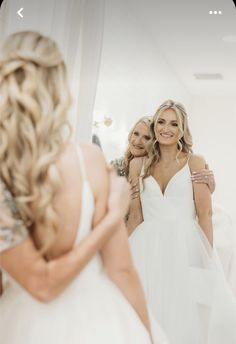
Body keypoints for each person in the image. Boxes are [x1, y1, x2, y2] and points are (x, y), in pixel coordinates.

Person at [0, 31, 168, 344]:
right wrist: (148, 336)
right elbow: (122, 271)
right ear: (58, 90)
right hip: (99, 323)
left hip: (20, 324)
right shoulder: (89, 160)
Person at [127, 99, 236, 344]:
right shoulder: (138, 164)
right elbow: (135, 215)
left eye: (174, 124)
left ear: (182, 129)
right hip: (146, 248)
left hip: (184, 246)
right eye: (162, 122)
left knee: (183, 313)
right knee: (146, 310)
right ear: (155, 126)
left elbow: (204, 214)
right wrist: (121, 252)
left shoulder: (194, 162)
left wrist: (206, 259)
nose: (166, 128)